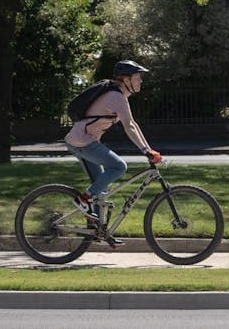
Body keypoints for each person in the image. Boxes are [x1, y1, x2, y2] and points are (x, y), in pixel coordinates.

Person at [64, 60, 162, 245]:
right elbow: (128, 126)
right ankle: (83, 199)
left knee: (102, 189)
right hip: (82, 142)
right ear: (126, 79)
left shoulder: (119, 97)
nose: (140, 81)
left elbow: (133, 124)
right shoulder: (115, 96)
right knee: (118, 166)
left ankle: (97, 229)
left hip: (84, 141)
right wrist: (145, 150)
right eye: (137, 78)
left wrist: (148, 150)